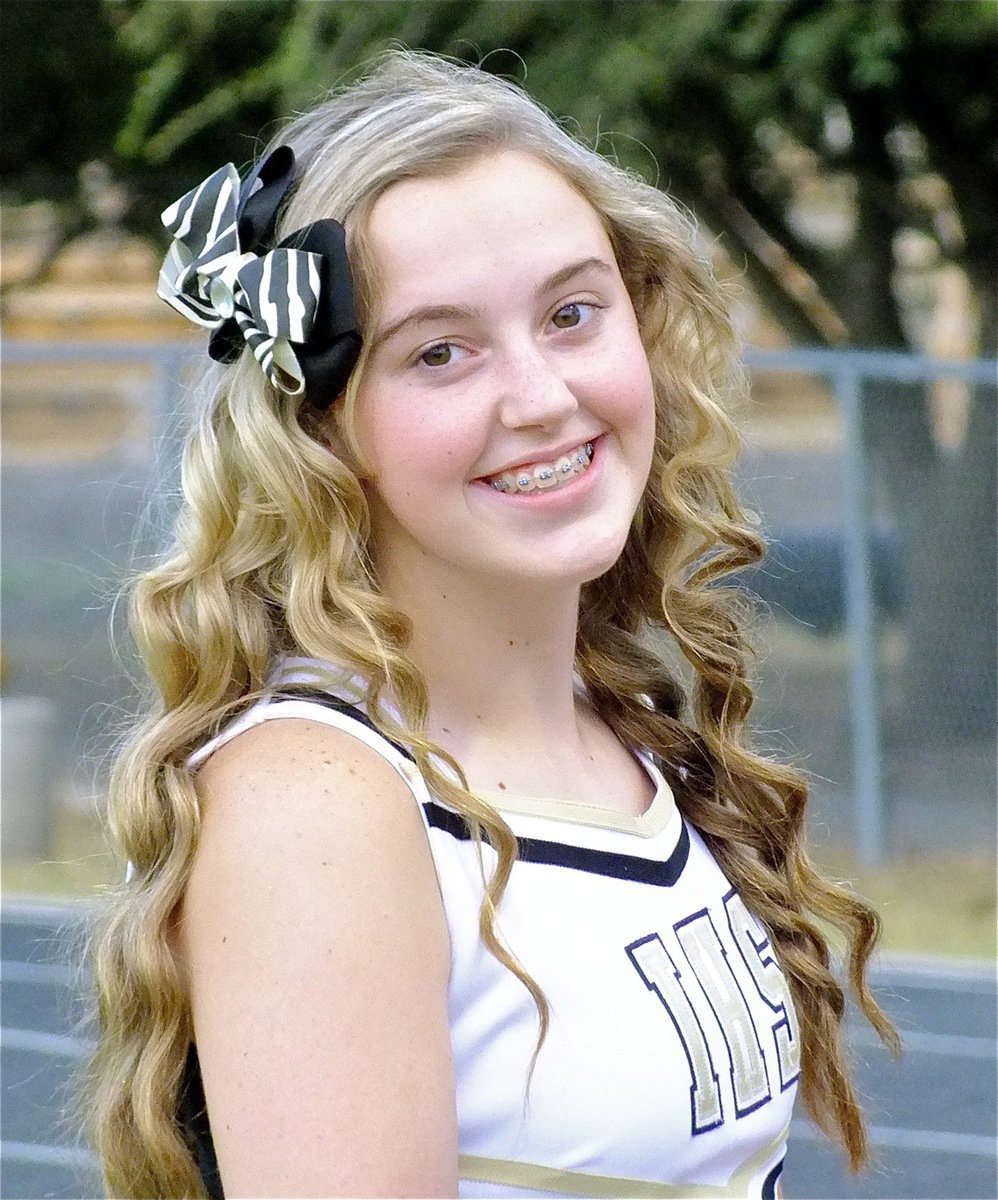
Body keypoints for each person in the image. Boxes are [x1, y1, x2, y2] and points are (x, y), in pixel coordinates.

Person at [85, 49, 896, 1199]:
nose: (540, 396)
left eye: (571, 313)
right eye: (440, 352)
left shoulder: (616, 729)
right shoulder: (317, 809)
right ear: (319, 432)